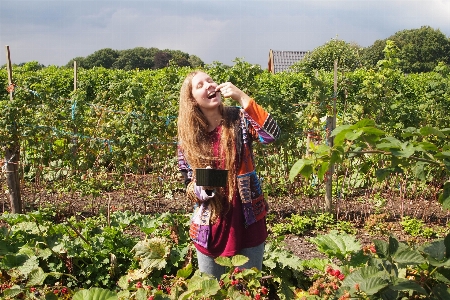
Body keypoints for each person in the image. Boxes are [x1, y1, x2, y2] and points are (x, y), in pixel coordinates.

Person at [177, 71, 280, 279]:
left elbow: (271, 135)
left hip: (248, 220)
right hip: (211, 227)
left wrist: (242, 97)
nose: (208, 85)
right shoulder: (189, 137)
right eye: (200, 85)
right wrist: (205, 187)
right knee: (212, 290)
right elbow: (188, 184)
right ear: (193, 101)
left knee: (249, 289)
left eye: (210, 81)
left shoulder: (239, 118)